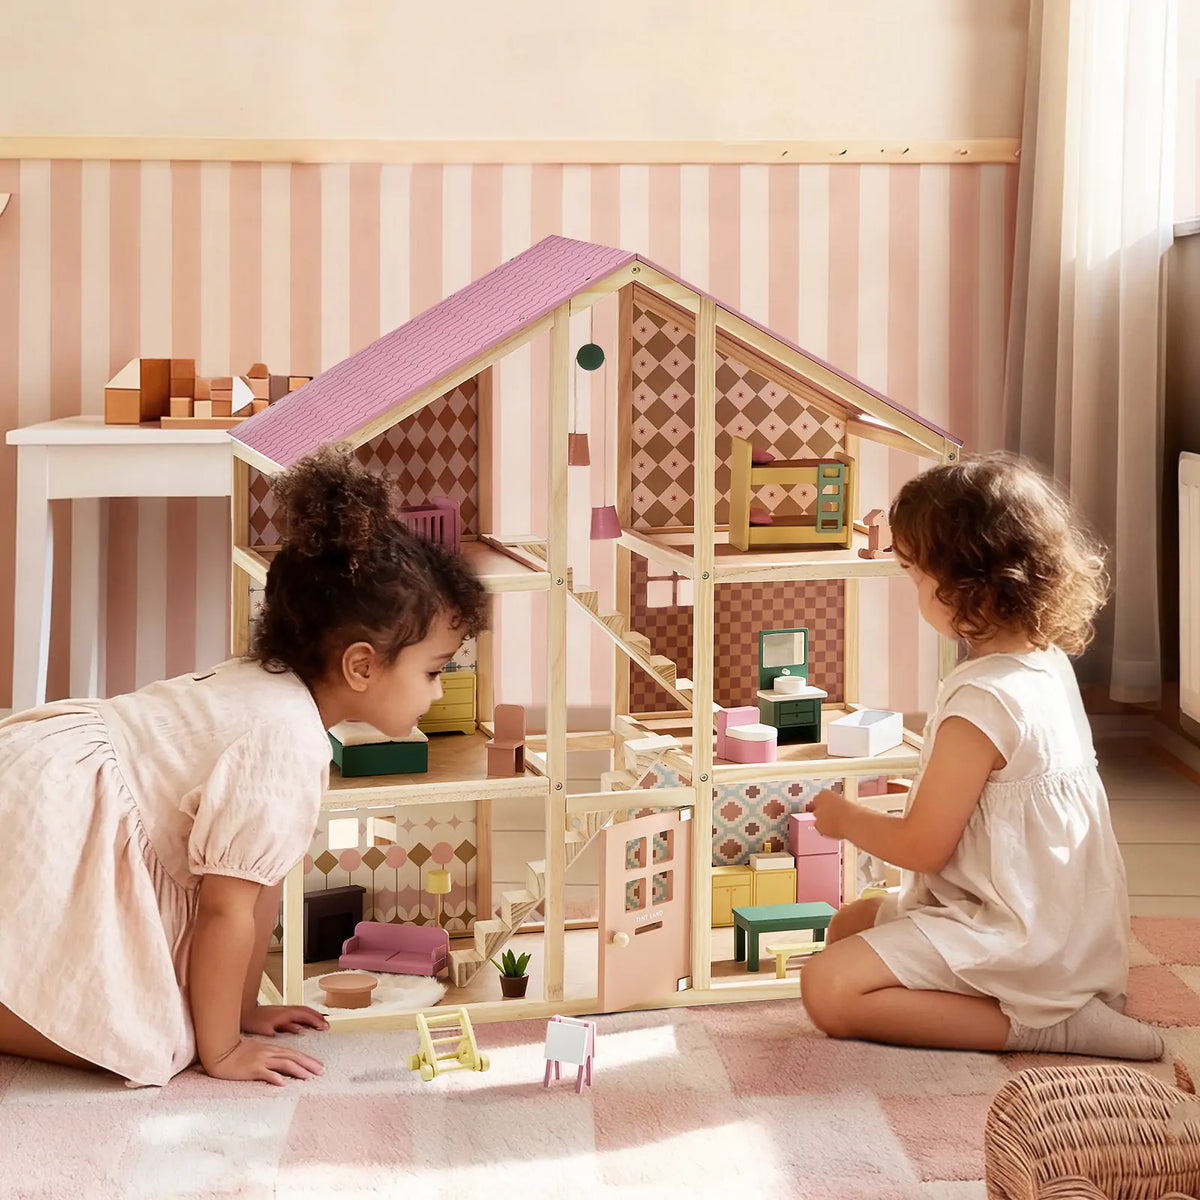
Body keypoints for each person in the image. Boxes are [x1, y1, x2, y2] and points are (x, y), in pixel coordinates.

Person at [0, 447, 487, 1086]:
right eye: (433, 671)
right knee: (159, 1040)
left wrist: (242, 1008)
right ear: (362, 666)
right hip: (54, 806)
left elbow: (258, 888)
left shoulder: (279, 695)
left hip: (58, 776)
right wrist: (222, 1048)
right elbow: (225, 910)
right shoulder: (284, 738)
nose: (436, 691)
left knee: (171, 1014)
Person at [801, 453, 1163, 1061]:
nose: (912, 587)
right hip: (1061, 927)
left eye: (915, 573)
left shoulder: (982, 700)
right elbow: (994, 810)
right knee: (846, 928)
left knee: (827, 990)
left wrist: (842, 820)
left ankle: (1047, 1026)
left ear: (964, 583)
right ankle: (1057, 1000)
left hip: (1014, 933)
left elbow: (923, 847)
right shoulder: (1044, 664)